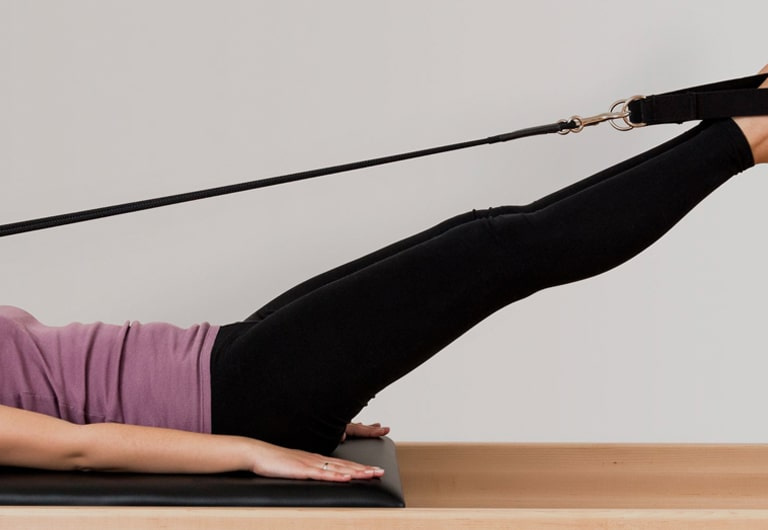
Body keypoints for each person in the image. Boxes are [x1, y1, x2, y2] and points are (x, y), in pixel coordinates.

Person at [2, 66, 768, 483]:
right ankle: (748, 134)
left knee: (484, 235)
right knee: (504, 250)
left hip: (227, 355)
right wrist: (252, 449)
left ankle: (744, 117)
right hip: (242, 398)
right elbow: (78, 447)